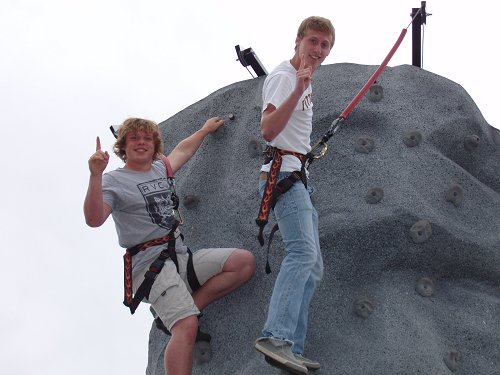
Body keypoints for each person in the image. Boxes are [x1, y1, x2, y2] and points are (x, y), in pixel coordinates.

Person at [84, 117, 255, 375]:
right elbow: (94, 219)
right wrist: (95, 176)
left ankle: (186, 310)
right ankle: (182, 319)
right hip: (149, 266)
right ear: (123, 146)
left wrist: (205, 129)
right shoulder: (113, 181)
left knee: (243, 263)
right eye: (134, 138)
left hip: (181, 257)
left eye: (147, 138)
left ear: (154, 145)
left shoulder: (160, 168)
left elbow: (183, 150)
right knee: (186, 326)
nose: (141, 142)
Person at [254, 16, 335, 374]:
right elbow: (269, 130)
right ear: (298, 41)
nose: (318, 50)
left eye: (324, 45)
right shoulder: (285, 77)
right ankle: (276, 338)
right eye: (313, 42)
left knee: (313, 266)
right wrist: (298, 89)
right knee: (302, 253)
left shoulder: (302, 80)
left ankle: (293, 348)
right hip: (282, 175)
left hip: (297, 175)